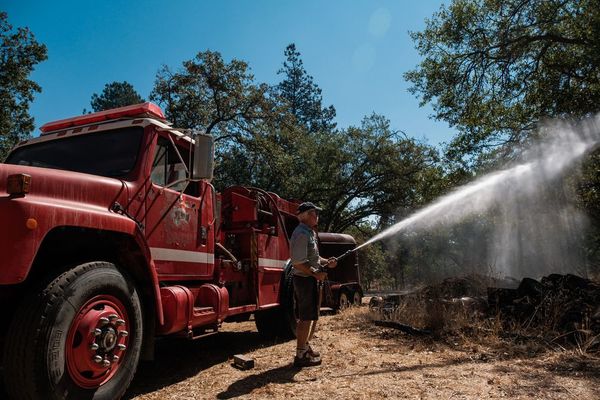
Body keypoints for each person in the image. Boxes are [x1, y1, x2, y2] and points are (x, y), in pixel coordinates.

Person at [290, 201, 337, 367]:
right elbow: (297, 263)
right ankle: (300, 355)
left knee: (309, 317)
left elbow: (313, 259)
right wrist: (315, 273)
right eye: (314, 213)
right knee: (305, 318)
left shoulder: (309, 232)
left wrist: (326, 261)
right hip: (304, 280)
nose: (317, 216)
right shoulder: (302, 234)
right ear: (307, 215)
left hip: (308, 278)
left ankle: (305, 347)